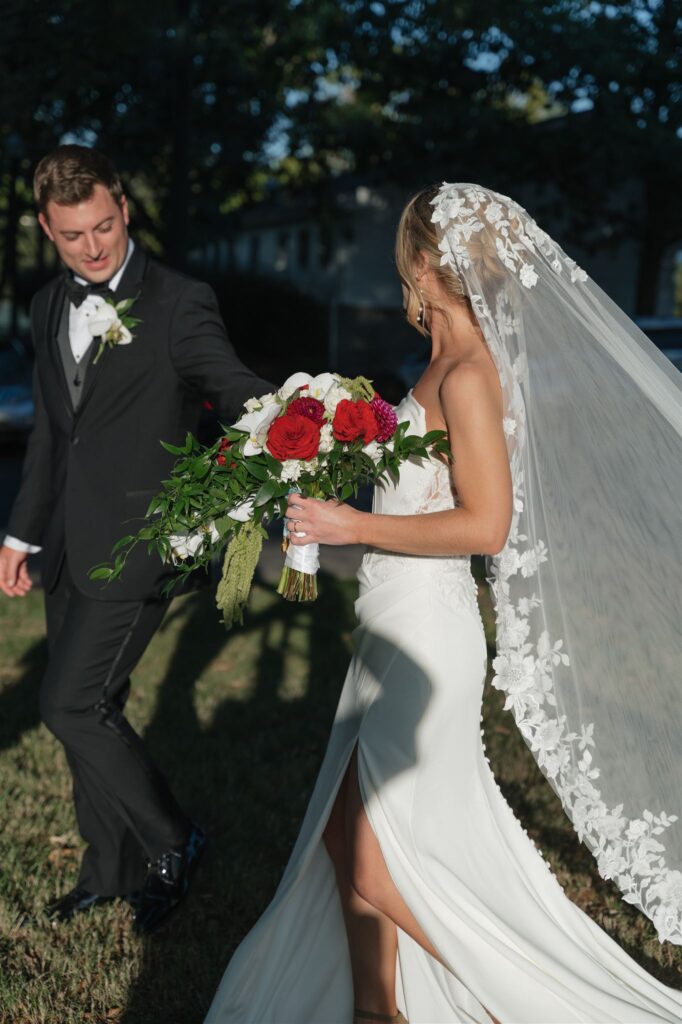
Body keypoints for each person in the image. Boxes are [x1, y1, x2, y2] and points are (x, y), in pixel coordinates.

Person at [204, 184, 681, 1022]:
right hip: (389, 624)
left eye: (406, 260)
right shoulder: (437, 366)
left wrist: (350, 522)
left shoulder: (466, 375)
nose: (405, 276)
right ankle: (373, 1007)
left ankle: (523, 999)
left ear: (424, 264)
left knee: (374, 863)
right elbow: (420, 494)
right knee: (340, 836)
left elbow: (487, 526)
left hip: (429, 634)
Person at [0, 145, 273, 934]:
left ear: (124, 205)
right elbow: (56, 436)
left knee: (70, 703)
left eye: (105, 225)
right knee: (98, 706)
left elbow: (230, 386)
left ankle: (171, 841)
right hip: (61, 545)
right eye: (71, 235)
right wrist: (21, 533)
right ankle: (107, 866)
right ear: (47, 230)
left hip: (144, 544)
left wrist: (293, 418)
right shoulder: (51, 305)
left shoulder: (181, 300)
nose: (93, 247)